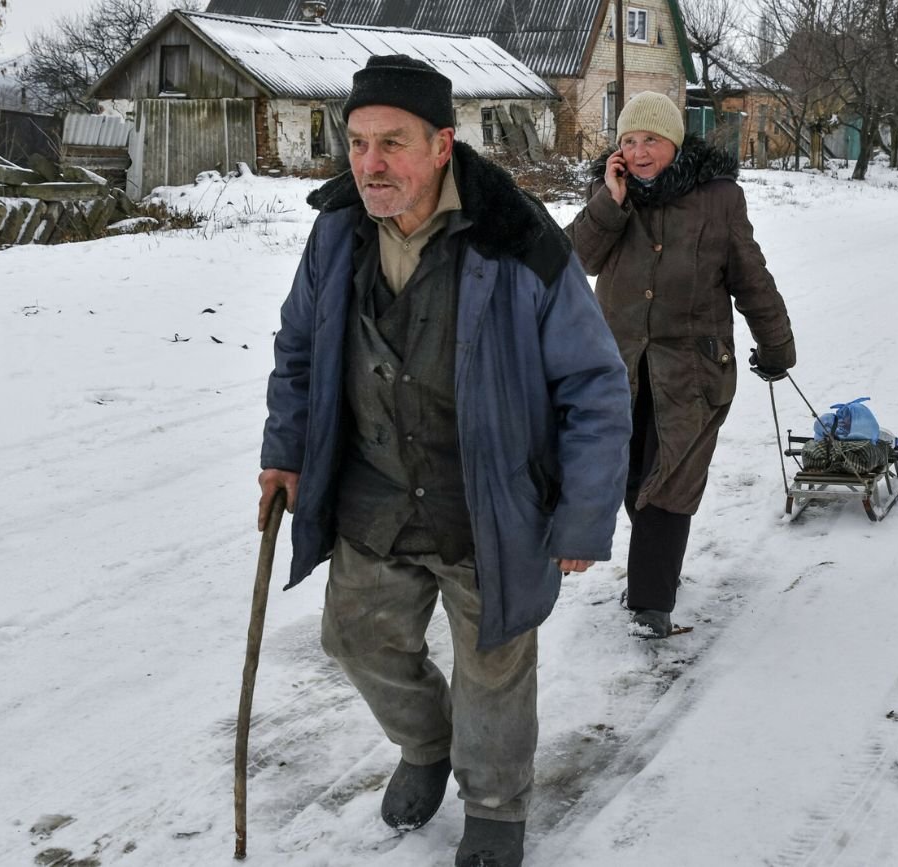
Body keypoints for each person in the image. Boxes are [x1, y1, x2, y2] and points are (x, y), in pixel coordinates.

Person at [257, 55, 631, 867]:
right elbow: (299, 351)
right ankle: (428, 744)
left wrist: (583, 512)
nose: (369, 164)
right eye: (357, 143)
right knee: (355, 638)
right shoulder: (336, 233)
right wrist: (284, 450)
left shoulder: (517, 239)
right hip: (375, 493)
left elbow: (595, 384)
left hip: (489, 503)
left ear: (442, 145)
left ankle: (496, 803)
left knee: (494, 666)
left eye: (392, 142)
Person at [565, 91, 796, 639]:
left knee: (667, 481)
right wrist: (609, 203)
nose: (640, 152)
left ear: (675, 142)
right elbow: (571, 261)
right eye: (629, 141)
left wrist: (777, 346)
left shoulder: (718, 200)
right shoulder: (611, 195)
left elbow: (751, 279)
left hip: (691, 372)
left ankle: (650, 603)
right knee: (625, 476)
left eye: (651, 140)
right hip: (616, 368)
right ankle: (654, 572)